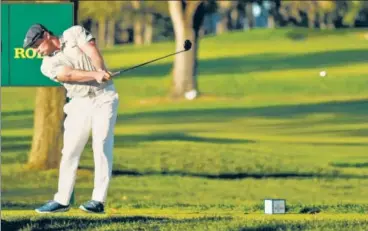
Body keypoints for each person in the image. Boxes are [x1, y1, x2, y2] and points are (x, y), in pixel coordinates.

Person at [23, 23, 119, 214]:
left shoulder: (74, 33)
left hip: (104, 97)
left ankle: (98, 200)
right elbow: (68, 75)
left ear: (46, 35)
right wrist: (95, 74)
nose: (37, 51)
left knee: (101, 144)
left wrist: (101, 71)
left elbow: (91, 50)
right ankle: (62, 200)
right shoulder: (47, 65)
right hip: (79, 103)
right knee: (70, 151)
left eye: (37, 46)